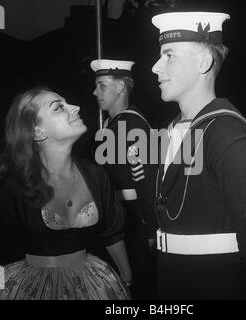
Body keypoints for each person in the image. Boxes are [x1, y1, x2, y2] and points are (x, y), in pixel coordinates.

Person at [151, 11, 246, 299]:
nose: (156, 67)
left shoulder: (230, 136)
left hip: (218, 282)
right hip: (173, 278)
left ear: (204, 62)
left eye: (169, 55)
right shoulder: (173, 130)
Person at [0, 87, 131, 300]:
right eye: (59, 107)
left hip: (92, 285)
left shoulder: (96, 174)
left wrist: (127, 277)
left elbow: (112, 233)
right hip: (32, 290)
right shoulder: (14, 186)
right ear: (38, 131)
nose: (76, 107)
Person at [91, 59, 158, 299]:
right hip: (118, 219)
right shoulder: (113, 124)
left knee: (136, 288)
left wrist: (151, 228)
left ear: (120, 87)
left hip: (131, 221)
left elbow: (147, 179)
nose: (95, 92)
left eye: (102, 85)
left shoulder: (131, 124)